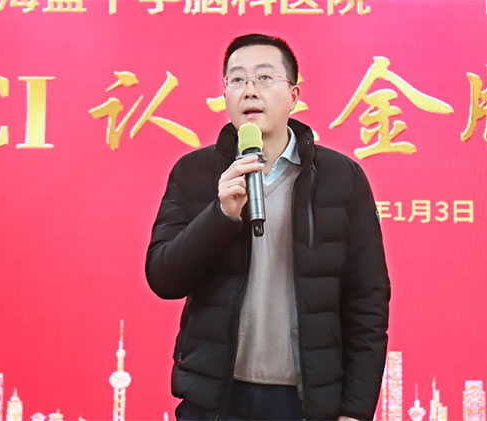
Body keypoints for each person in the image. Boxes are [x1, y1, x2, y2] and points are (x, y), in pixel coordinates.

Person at [145, 33, 390, 421]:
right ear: (225, 93)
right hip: (216, 399)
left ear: (293, 95)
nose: (249, 90)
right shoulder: (193, 173)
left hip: (307, 402)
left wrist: (356, 410)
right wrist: (220, 215)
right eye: (237, 79)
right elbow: (163, 277)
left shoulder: (342, 178)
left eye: (263, 77)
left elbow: (368, 300)